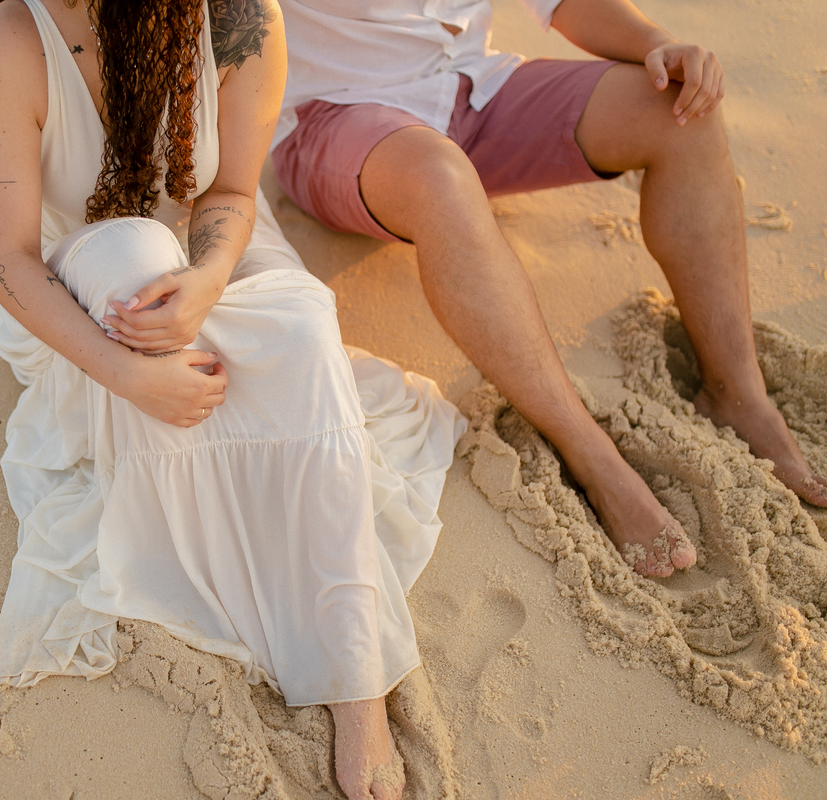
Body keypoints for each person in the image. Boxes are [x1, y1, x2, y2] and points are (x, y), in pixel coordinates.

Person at [0, 1, 467, 797]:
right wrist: (124, 373)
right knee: (133, 252)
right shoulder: (13, 40)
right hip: (71, 283)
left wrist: (207, 280)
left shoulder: (239, 15)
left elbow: (229, 190)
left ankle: (354, 672)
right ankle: (231, 561)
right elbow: (10, 260)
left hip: (209, 240)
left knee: (303, 320)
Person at [270, 0, 827, 578]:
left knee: (683, 109)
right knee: (440, 177)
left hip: (474, 87)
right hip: (338, 119)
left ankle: (738, 392)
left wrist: (658, 46)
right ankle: (591, 455)